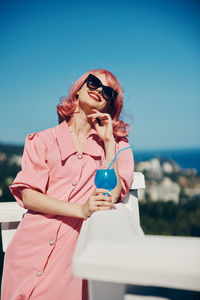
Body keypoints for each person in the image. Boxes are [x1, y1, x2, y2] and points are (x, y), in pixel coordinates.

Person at [1, 69, 134, 300]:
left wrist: (108, 142)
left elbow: (111, 196)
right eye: (93, 83)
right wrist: (80, 210)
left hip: (70, 260)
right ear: (79, 88)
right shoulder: (42, 140)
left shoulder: (117, 146)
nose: (99, 91)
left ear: (111, 107)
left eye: (108, 92)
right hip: (26, 251)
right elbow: (29, 196)